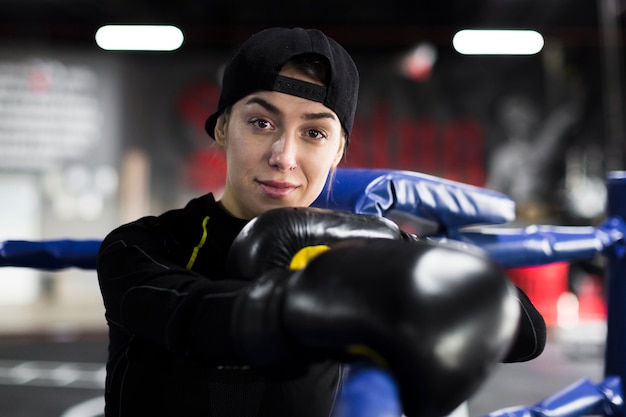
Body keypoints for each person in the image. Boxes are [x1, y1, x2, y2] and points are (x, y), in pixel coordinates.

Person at [97, 27, 546, 417]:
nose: (283, 156)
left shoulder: (358, 248)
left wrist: (393, 245)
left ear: (338, 152)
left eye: (314, 132)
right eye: (260, 122)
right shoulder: (142, 246)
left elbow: (525, 333)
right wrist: (327, 308)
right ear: (221, 128)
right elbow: (190, 313)